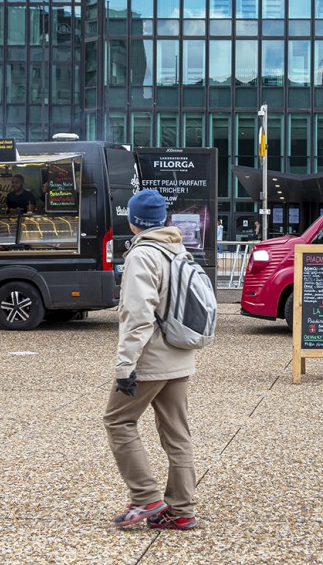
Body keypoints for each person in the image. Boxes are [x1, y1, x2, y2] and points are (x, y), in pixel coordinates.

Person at [103, 188, 198, 531]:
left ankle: (145, 497)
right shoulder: (178, 249)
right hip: (180, 353)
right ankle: (181, 509)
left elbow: (138, 315)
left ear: (133, 221)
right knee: (177, 433)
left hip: (151, 358)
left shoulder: (143, 255)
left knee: (117, 421)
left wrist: (125, 366)